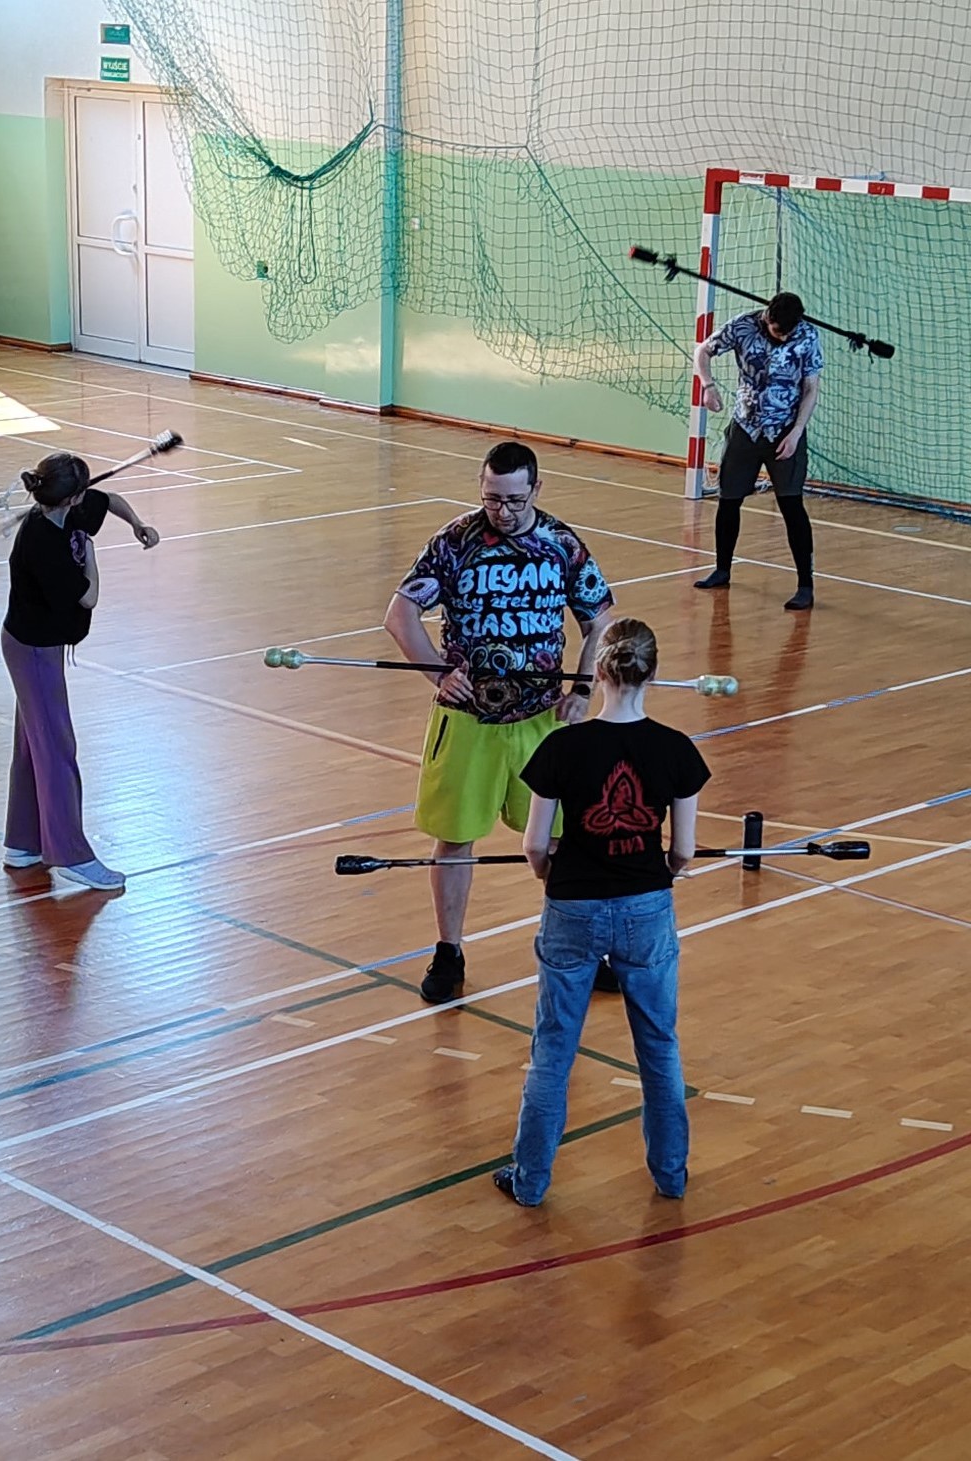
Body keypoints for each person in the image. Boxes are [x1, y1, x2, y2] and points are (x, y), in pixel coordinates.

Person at [384, 440, 616, 1004]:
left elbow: (602, 620)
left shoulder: (561, 545)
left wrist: (584, 689)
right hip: (468, 721)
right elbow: (400, 614)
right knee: (454, 839)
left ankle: (580, 949)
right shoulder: (455, 542)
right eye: (492, 499)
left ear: (537, 489)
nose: (503, 511)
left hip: (541, 722)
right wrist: (438, 673)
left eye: (514, 500)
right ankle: (449, 952)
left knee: (560, 840)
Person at [493, 618, 708, 1207]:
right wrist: (660, 873)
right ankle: (671, 1174)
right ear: (652, 673)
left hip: (572, 906)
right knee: (659, 1046)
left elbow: (535, 845)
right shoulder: (676, 749)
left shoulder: (562, 746)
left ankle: (530, 1180)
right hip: (646, 909)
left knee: (553, 1048)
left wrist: (550, 873)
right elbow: (684, 852)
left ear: (599, 672)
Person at [0, 452, 160, 892]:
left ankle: (23, 843)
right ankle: (71, 855)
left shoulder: (68, 509)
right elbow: (87, 597)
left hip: (36, 647)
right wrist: (90, 553)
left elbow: (110, 500)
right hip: (34, 650)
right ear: (70, 497)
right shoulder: (42, 544)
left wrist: (137, 524)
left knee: (33, 746)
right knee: (56, 749)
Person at [692, 291, 821, 611]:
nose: (783, 337)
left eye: (788, 333)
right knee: (729, 500)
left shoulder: (807, 336)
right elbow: (702, 351)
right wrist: (708, 386)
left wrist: (797, 432)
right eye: (778, 331)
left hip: (785, 432)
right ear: (768, 317)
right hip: (745, 428)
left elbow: (811, 388)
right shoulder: (743, 326)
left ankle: (805, 585)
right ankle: (722, 569)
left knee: (791, 506)